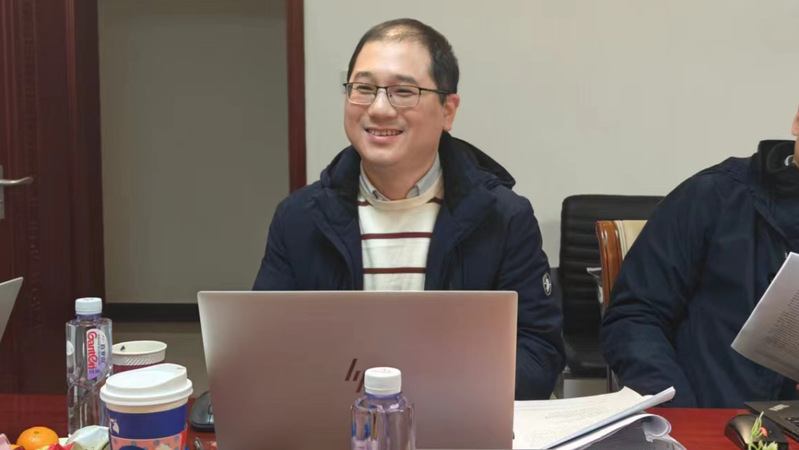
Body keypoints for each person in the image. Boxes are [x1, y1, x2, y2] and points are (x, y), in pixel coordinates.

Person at [253, 18, 564, 399]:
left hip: (459, 421)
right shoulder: (299, 219)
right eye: (363, 89)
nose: (379, 109)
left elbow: (538, 354)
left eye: (403, 92)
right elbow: (264, 347)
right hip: (333, 421)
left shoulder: (503, 217)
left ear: (448, 110)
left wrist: (437, 392)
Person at [601, 105, 799, 408]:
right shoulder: (712, 196)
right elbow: (635, 316)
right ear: (797, 122)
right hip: (711, 414)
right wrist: (680, 411)